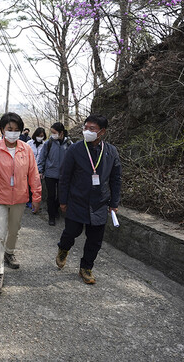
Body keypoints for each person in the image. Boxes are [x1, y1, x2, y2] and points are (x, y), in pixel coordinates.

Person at [0, 112, 42, 295]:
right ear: (3, 130)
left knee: (14, 230)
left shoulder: (26, 149)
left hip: (20, 198)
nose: (13, 133)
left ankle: (10, 252)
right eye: (9, 129)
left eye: (16, 130)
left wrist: (36, 196)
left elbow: (33, 174)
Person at [55, 115, 121, 285]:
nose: (87, 131)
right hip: (77, 200)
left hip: (99, 203)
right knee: (72, 231)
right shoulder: (75, 149)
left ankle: (86, 268)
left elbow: (116, 179)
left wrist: (114, 203)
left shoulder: (111, 152)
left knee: (95, 239)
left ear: (102, 131)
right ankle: (63, 248)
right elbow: (65, 176)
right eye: (86, 127)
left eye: (92, 129)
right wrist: (63, 200)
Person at [37, 122, 71, 226]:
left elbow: (73, 160)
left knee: (61, 196)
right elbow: (42, 157)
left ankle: (56, 209)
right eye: (51, 132)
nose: (52, 134)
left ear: (61, 133)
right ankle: (51, 216)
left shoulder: (69, 144)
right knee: (51, 196)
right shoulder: (49, 143)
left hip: (63, 175)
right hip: (50, 174)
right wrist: (40, 170)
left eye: (54, 132)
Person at [26, 127, 47, 210]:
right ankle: (28, 201)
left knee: (37, 186)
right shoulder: (29, 143)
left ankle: (36, 202)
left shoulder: (45, 144)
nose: (40, 137)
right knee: (28, 185)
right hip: (28, 167)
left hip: (39, 169)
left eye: (42, 136)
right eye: (39, 135)